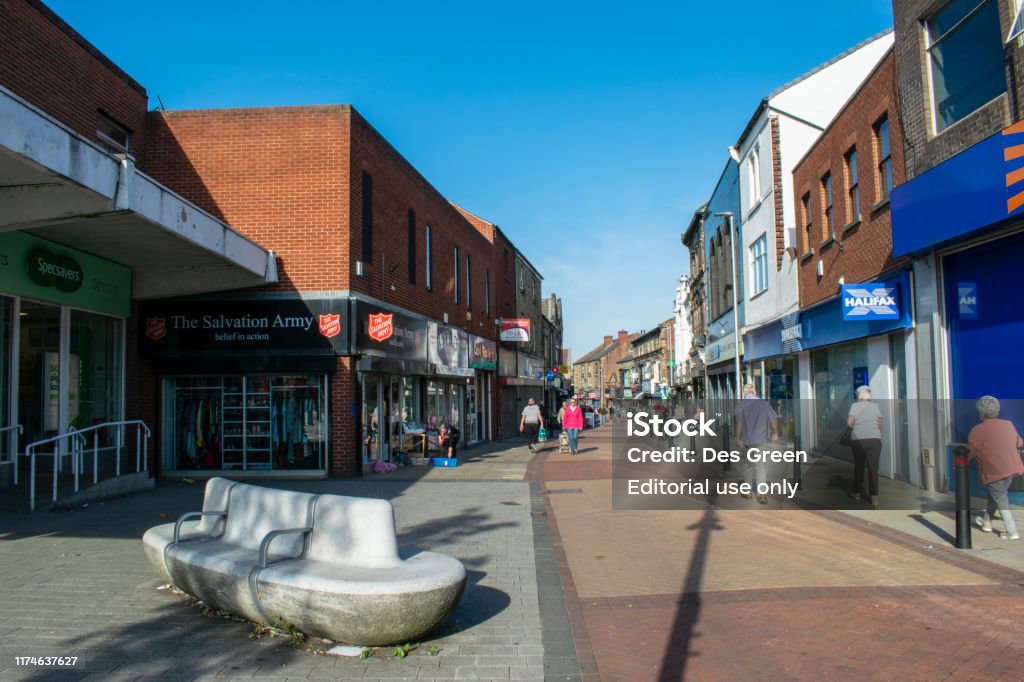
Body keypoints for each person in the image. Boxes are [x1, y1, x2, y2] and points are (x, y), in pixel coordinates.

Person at [968, 395, 1024, 540]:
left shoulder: (978, 429)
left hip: (994, 471)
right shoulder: (1008, 424)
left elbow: (970, 452)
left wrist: (959, 464)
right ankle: (987, 522)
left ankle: (1012, 531)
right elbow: (1019, 443)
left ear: (981, 411)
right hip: (1012, 468)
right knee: (995, 494)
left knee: (1000, 497)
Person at [734, 382, 779, 504]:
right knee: (760, 466)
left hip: (746, 441)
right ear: (754, 392)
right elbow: (773, 420)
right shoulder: (764, 404)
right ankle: (762, 494)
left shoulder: (740, 405)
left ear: (744, 392)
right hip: (760, 441)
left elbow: (739, 423)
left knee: (747, 466)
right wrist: (775, 432)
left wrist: (738, 438)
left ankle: (748, 491)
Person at [847, 385, 883, 507]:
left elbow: (850, 423)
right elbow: (879, 424)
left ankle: (856, 493)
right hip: (874, 440)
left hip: (859, 441)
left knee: (859, 466)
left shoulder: (855, 406)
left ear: (859, 395)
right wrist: (876, 435)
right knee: (873, 469)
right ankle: (874, 498)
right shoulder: (875, 406)